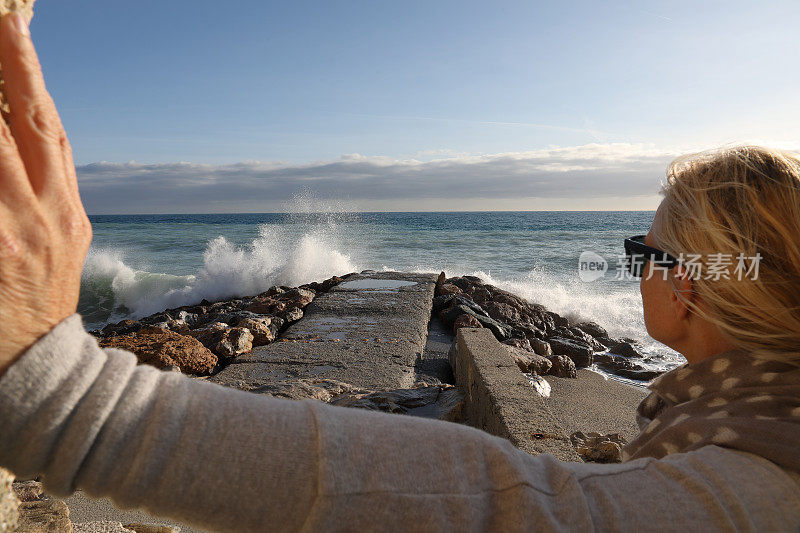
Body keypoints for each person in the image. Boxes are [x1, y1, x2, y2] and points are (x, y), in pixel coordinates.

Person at [0, 12, 798, 532]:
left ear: (689, 281)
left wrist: (66, 398)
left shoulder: (752, 490)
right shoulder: (749, 425)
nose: (638, 271)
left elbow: (498, 506)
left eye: (644, 252)